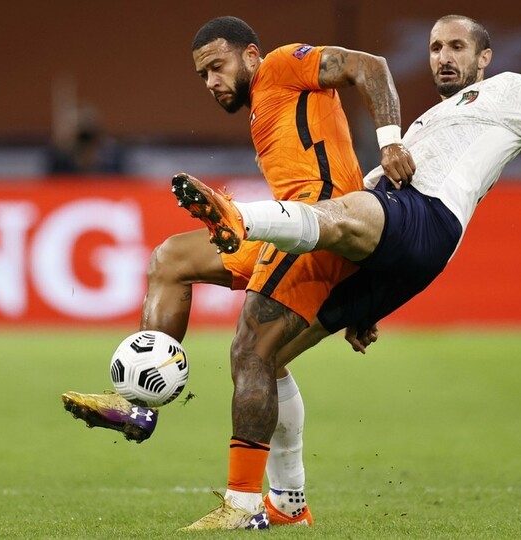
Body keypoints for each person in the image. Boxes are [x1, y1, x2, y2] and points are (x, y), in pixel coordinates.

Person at [174, 13, 521, 400]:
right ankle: (287, 495)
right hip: (394, 241)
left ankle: (243, 218)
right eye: (435, 47)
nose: (443, 57)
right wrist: (371, 300)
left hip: (426, 216)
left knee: (341, 211)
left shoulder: (509, 90)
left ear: (484, 57)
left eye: (457, 46)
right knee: (264, 357)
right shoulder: (424, 123)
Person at [61, 15, 414, 531]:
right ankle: (144, 408)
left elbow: (370, 66)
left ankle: (243, 504)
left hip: (321, 225)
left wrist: (390, 142)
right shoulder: (263, 108)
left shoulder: (282, 66)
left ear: (250, 55)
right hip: (289, 228)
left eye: (217, 67)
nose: (211, 82)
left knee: (251, 352)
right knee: (170, 260)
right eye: (202, 75)